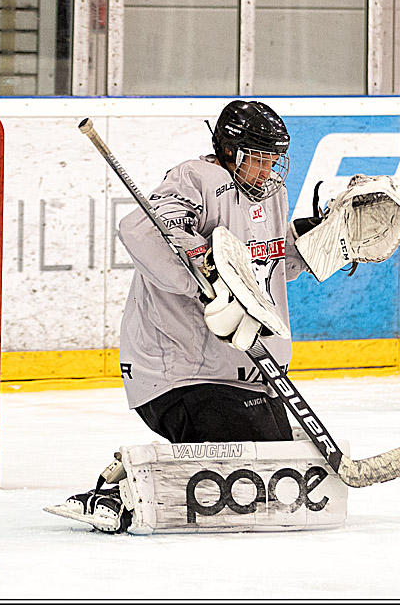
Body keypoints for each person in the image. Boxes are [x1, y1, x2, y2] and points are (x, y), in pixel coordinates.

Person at [62, 99, 321, 531]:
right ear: (229, 151)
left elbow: (270, 265)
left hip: (247, 370)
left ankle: (132, 471)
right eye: (258, 159)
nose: (266, 171)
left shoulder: (271, 195)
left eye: (273, 160)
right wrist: (205, 269)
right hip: (181, 371)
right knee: (245, 462)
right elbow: (143, 229)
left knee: (278, 455)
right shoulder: (196, 178)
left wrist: (315, 241)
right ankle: (116, 493)